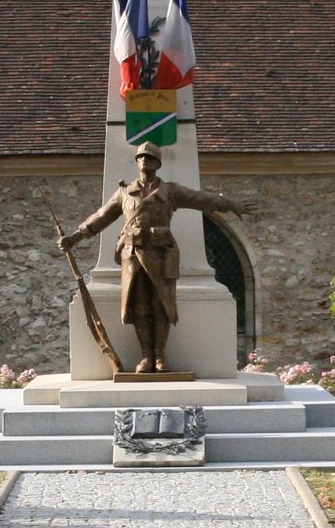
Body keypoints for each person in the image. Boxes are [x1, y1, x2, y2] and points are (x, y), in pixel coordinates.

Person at [61, 148, 241, 373]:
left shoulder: (170, 191)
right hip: (134, 255)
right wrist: (74, 238)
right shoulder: (125, 192)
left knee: (162, 306)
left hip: (162, 254)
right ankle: (146, 356)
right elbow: (101, 216)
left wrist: (230, 205)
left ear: (158, 164)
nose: (145, 160)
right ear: (136, 163)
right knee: (140, 307)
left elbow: (199, 199)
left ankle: (160, 357)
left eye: (150, 158)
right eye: (141, 157)